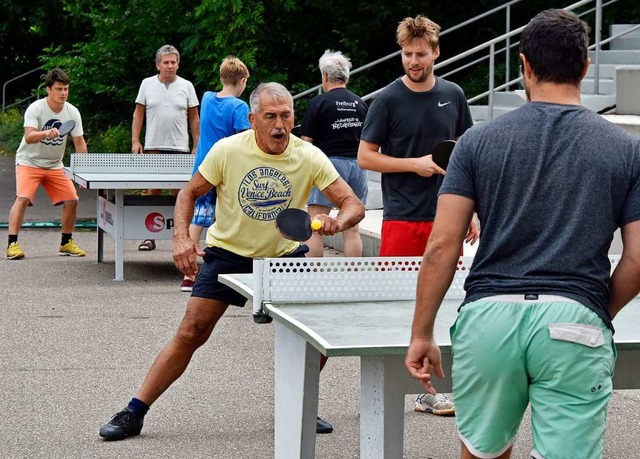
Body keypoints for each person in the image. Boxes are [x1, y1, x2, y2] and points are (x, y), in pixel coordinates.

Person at [405, 9, 640, 459]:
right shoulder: (627, 149)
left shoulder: (477, 142)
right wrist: (591, 306)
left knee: (482, 453)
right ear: (586, 68)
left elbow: (441, 245)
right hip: (575, 324)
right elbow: (638, 258)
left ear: (525, 65)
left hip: (489, 319)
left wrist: (421, 333)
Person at [99, 82, 365, 441]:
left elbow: (353, 205)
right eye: (270, 116)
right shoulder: (228, 151)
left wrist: (339, 220)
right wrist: (179, 238)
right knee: (191, 332)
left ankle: (298, 402)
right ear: (252, 119)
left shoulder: (309, 156)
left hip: (284, 258)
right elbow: (189, 193)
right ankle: (134, 411)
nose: (279, 125)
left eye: (286, 115)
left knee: (316, 335)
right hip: (228, 255)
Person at [357, 15, 478, 415]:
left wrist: (473, 209)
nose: (413, 61)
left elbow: (465, 153)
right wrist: (415, 164)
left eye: (421, 54)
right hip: (402, 218)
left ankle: (434, 388)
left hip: (448, 217)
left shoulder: (454, 94)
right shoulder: (388, 100)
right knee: (398, 305)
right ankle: (397, 386)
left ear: (436, 52)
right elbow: (365, 157)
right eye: (407, 54)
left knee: (444, 303)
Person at [180, 56, 251, 292]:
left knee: (198, 217)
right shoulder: (240, 107)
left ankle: (189, 274)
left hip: (202, 167)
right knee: (226, 218)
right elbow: (246, 139)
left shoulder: (208, 98)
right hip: (227, 170)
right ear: (242, 81)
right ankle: (228, 267)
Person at [6, 68, 88, 260]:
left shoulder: (72, 112)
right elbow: (30, 136)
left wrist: (84, 173)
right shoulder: (35, 108)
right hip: (29, 162)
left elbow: (79, 143)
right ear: (48, 90)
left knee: (72, 200)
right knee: (23, 198)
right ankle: (12, 245)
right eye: (59, 89)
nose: (63, 93)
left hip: (54, 165)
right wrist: (46, 133)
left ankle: (66, 243)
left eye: (66, 89)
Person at [300, 50, 369, 257]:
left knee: (316, 223)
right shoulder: (360, 103)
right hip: (357, 166)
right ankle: (352, 278)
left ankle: (314, 277)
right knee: (352, 226)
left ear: (325, 76)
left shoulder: (319, 103)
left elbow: (306, 143)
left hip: (329, 166)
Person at [132, 44, 200, 251]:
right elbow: (138, 113)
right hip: (154, 145)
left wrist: (197, 144)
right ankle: (148, 236)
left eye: (173, 62)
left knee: (181, 194)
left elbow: (194, 118)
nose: (170, 66)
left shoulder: (187, 86)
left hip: (180, 147)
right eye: (166, 62)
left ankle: (180, 238)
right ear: (158, 65)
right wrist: (136, 140)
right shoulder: (147, 84)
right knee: (152, 191)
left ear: (178, 64)